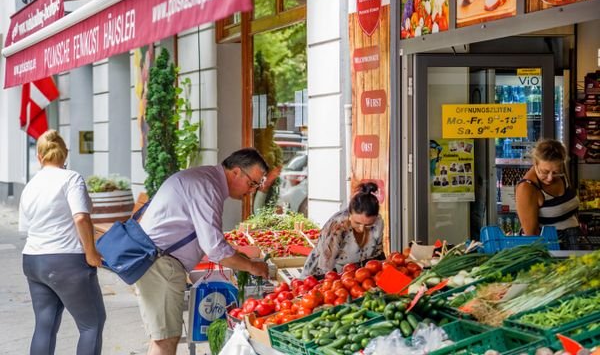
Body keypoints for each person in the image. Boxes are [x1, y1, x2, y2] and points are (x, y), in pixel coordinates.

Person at [136, 148, 270, 355]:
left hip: (159, 261)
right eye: (252, 183)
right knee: (165, 339)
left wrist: (240, 257)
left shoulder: (206, 180)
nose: (252, 190)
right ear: (236, 172)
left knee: (162, 336)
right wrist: (252, 266)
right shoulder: (207, 186)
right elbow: (214, 247)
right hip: (160, 264)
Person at [19, 130, 105, 355]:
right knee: (91, 325)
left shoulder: (30, 186)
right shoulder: (71, 178)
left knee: (44, 325)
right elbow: (81, 217)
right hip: (67, 261)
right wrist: (91, 253)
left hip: (33, 261)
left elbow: (25, 228)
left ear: (39, 156)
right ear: (65, 154)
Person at [302, 182, 384, 277]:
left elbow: (377, 257)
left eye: (368, 225)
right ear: (349, 214)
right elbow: (326, 267)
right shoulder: (337, 226)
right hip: (319, 277)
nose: (362, 229)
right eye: (357, 223)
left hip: (354, 277)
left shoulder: (378, 223)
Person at [515, 139, 581, 249]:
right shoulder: (527, 188)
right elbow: (531, 235)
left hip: (573, 241)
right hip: (551, 247)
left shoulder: (562, 172)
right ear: (535, 163)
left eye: (555, 172)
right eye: (545, 172)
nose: (550, 178)